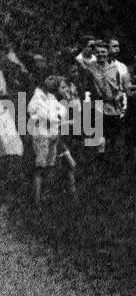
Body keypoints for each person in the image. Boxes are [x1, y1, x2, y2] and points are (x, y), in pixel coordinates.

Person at [28, 75, 76, 203]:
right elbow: (46, 118)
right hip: (43, 136)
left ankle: (45, 196)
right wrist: (64, 122)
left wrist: (64, 121)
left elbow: (57, 117)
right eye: (48, 80)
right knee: (40, 168)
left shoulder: (52, 98)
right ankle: (37, 201)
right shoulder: (38, 97)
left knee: (49, 166)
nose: (51, 83)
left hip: (52, 136)